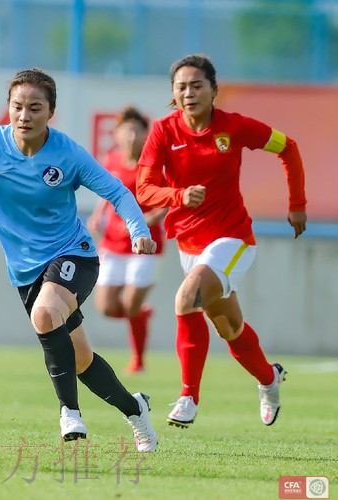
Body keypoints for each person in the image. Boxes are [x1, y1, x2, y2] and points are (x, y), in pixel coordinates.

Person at [0, 68, 159, 452]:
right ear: (8, 108)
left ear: (51, 112)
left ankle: (69, 412)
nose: (24, 116)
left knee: (44, 315)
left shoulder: (67, 153)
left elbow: (117, 191)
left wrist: (138, 230)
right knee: (81, 360)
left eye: (34, 108)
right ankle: (135, 409)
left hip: (74, 254)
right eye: (17, 107)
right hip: (26, 271)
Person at [136, 54, 307, 428]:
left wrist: (297, 204)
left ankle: (188, 397)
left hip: (233, 239)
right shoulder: (163, 131)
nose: (189, 93)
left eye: (197, 85)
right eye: (181, 87)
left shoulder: (235, 127)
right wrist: (178, 196)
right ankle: (269, 379)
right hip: (189, 245)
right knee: (229, 328)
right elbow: (144, 189)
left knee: (186, 298)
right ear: (173, 94)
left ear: (214, 90)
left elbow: (288, 147)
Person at [87, 106, 167, 374]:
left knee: (131, 305)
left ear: (145, 134)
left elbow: (167, 201)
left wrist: (144, 223)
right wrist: (97, 216)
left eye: (136, 130)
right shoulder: (111, 160)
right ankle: (143, 314)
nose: (131, 136)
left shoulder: (153, 164)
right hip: (112, 244)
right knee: (107, 307)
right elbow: (106, 193)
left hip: (145, 246)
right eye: (126, 130)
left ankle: (138, 360)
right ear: (117, 134)